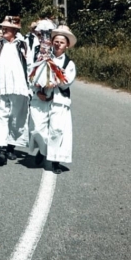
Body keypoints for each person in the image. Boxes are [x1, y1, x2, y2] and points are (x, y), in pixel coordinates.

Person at [27, 25, 76, 174]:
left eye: (62, 42)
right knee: (37, 128)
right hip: (41, 99)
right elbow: (33, 77)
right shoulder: (42, 58)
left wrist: (56, 78)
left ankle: (55, 161)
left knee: (57, 130)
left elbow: (66, 82)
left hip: (59, 100)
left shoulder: (69, 64)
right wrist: (38, 91)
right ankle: (43, 151)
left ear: (66, 45)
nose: (58, 44)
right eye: (56, 41)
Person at [0, 16, 30, 166]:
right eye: (3, 27)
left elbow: (29, 65)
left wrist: (31, 84)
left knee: (16, 117)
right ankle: (1, 150)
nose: (4, 30)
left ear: (15, 30)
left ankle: (11, 146)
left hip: (19, 86)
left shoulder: (23, 44)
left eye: (7, 28)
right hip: (0, 85)